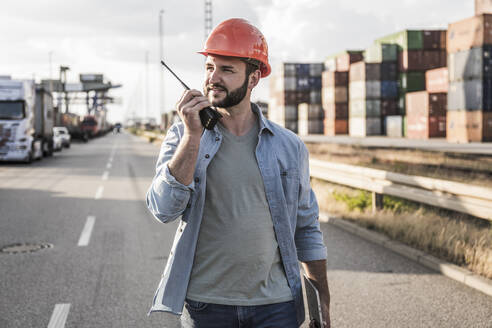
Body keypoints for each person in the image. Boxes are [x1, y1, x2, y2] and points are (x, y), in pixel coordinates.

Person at [146, 18, 330, 328]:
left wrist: (322, 301)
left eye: (226, 70)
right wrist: (193, 137)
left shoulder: (289, 147)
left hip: (277, 306)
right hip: (206, 305)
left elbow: (306, 229)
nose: (212, 79)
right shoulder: (182, 137)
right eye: (209, 68)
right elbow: (162, 209)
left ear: (254, 78)